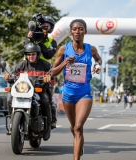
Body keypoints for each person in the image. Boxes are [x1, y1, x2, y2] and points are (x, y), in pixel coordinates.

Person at [51, 19, 102, 159]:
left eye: (80, 29)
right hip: (68, 94)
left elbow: (98, 59)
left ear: (85, 31)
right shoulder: (63, 49)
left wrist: (97, 66)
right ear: (71, 32)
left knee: (78, 127)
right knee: (74, 127)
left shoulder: (91, 49)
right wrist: (65, 63)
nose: (77, 32)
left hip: (84, 93)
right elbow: (52, 72)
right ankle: (79, 143)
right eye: (75, 29)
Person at [4, 42, 52, 141]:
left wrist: (49, 77)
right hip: (23, 91)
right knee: (9, 100)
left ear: (37, 54)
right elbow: (13, 74)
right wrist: (8, 76)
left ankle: (48, 127)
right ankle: (13, 122)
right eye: (28, 54)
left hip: (39, 90)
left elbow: (52, 74)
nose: (30, 56)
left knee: (45, 101)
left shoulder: (45, 65)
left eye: (33, 54)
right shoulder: (21, 65)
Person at [26, 15, 58, 128]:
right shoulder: (32, 36)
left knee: (46, 99)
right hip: (27, 70)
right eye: (43, 24)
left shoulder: (52, 42)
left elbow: (48, 54)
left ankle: (50, 122)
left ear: (51, 28)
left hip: (44, 72)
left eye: (47, 25)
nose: (44, 26)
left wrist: (39, 42)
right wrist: (29, 37)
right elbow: (26, 49)